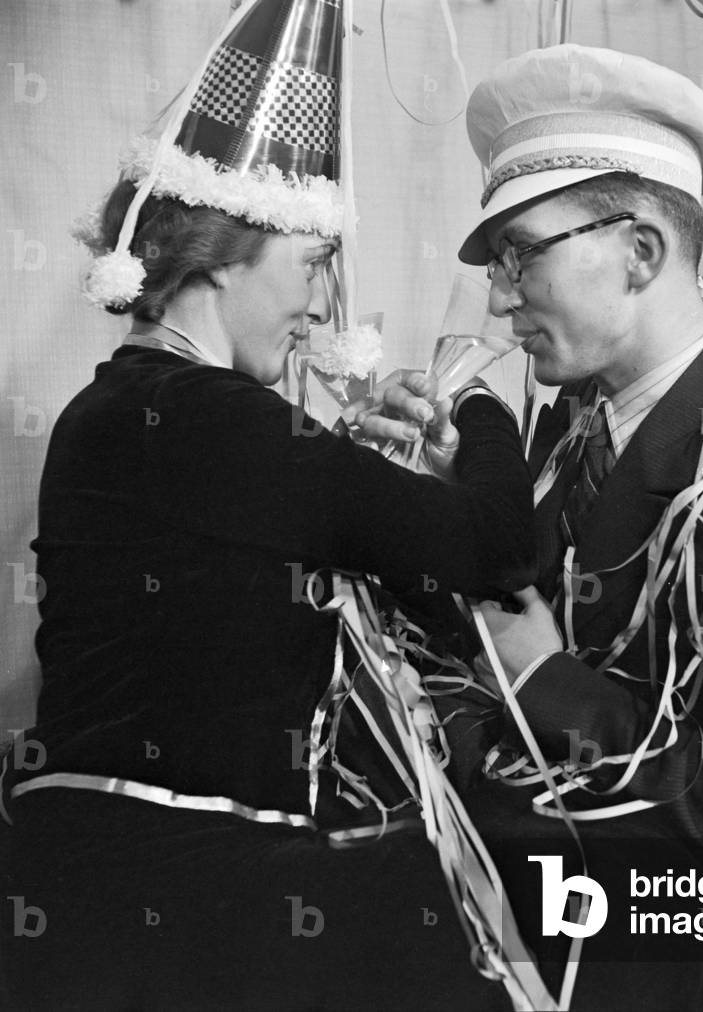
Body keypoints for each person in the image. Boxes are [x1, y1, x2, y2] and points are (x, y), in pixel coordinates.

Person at [0, 3, 532, 1008]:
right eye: (312, 261)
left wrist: (356, 479)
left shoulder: (100, 414)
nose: (326, 303)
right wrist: (477, 404)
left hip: (71, 891)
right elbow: (498, 547)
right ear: (217, 250)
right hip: (206, 908)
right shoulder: (235, 426)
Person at [402, 44, 703, 1011]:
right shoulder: (568, 418)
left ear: (641, 252)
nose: (500, 298)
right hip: (562, 792)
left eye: (521, 255)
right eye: (494, 265)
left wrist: (540, 675)